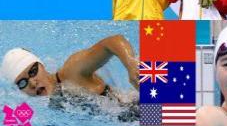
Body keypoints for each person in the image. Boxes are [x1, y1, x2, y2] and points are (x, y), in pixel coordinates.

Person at [1, 35, 138, 97]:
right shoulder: (40, 109)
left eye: (33, 71)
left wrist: (131, 64)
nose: (32, 82)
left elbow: (113, 42)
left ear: (42, 65)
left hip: (138, 111)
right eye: (22, 82)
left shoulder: (71, 72)